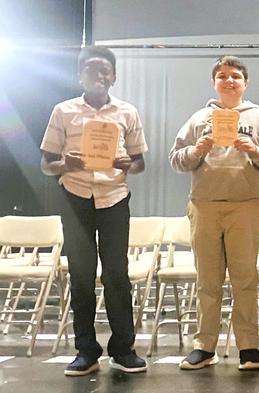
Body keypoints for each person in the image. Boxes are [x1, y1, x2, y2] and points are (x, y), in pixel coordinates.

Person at [169, 55, 259, 371]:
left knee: (245, 280)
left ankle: (248, 347)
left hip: (245, 207)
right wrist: (199, 149)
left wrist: (255, 150)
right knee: (208, 281)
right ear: (214, 82)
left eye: (235, 76)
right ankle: (204, 346)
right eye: (222, 76)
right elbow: (176, 159)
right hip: (205, 207)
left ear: (245, 82)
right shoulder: (199, 118)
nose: (229, 81)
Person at [40, 46, 148, 376]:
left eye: (105, 71)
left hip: (114, 197)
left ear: (113, 76)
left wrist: (129, 164)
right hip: (75, 199)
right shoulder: (63, 111)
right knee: (82, 276)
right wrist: (63, 164)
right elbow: (46, 165)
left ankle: (123, 349)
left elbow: (141, 163)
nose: (99, 76)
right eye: (91, 70)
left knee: (117, 274)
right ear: (79, 75)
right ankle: (86, 350)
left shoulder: (127, 112)